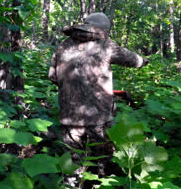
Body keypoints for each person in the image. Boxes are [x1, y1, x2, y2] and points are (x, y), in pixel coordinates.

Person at [48, 13, 148, 169]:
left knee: (72, 161)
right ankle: (98, 181)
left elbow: (52, 77)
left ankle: (73, 183)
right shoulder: (107, 45)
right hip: (99, 117)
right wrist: (144, 61)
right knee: (102, 160)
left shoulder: (63, 46)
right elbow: (134, 60)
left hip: (70, 115)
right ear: (104, 29)